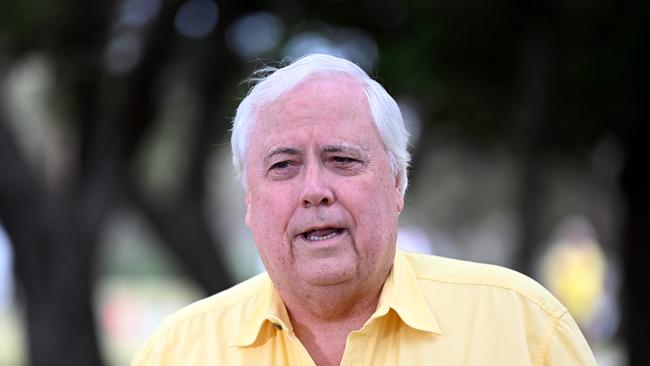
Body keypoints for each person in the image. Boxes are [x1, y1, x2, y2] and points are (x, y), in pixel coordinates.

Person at [132, 54, 597, 366]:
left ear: (397, 183)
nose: (315, 190)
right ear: (250, 200)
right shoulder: (177, 351)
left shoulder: (523, 328)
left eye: (342, 160)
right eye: (283, 165)